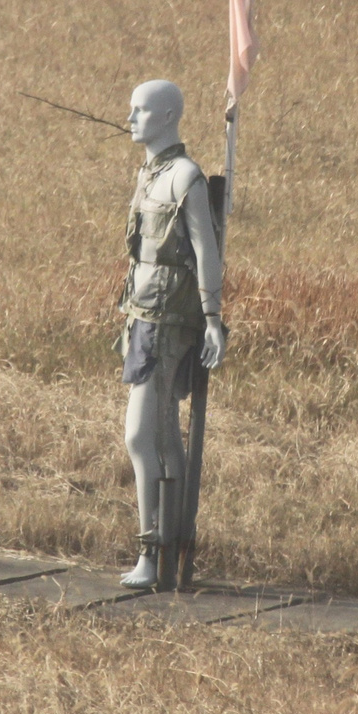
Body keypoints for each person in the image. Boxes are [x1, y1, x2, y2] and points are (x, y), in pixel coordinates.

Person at [117, 79, 226, 589]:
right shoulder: (149, 172)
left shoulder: (185, 177)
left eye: (140, 110)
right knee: (161, 437)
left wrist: (211, 318)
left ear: (166, 117)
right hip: (141, 315)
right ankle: (166, 553)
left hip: (167, 319)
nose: (130, 118)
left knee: (142, 436)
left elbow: (206, 249)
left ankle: (153, 550)